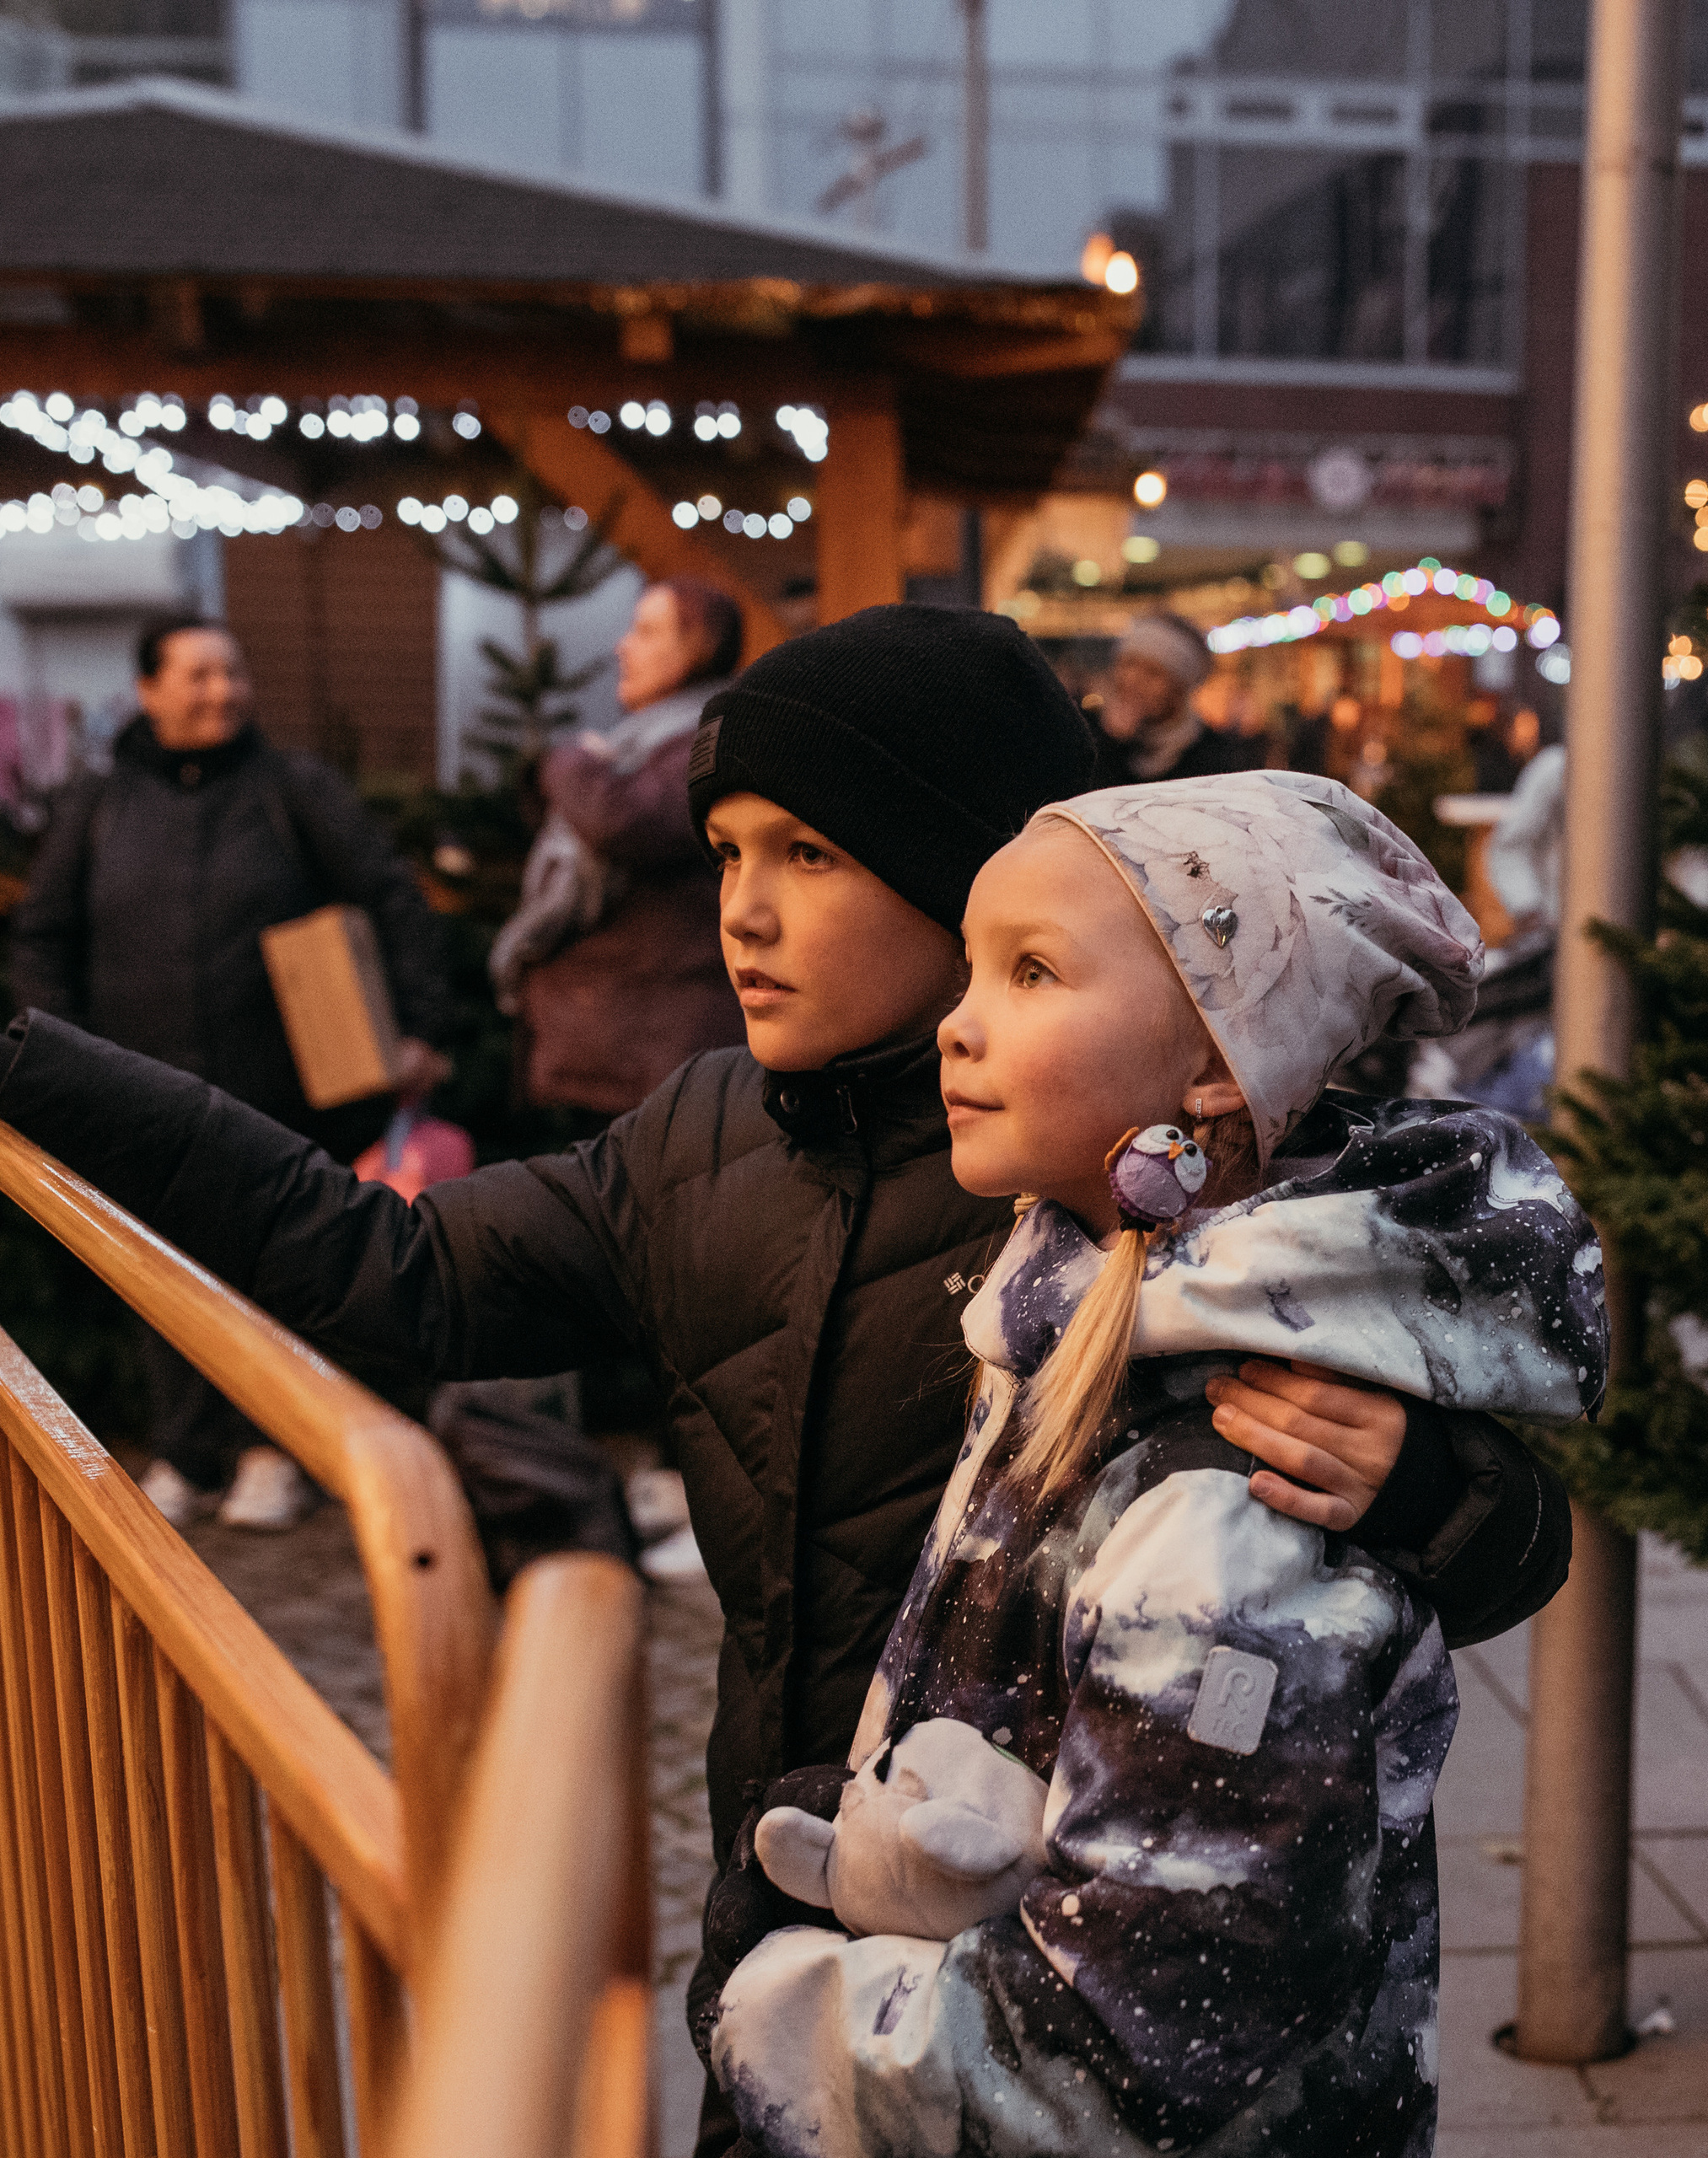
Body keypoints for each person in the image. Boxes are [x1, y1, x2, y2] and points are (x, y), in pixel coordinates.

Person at [0, 604, 1568, 2151]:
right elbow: (389, 1271)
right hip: (803, 1945)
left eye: (808, 855)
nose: (740, 909)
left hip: (1065, 2020)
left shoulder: (1114, 1178)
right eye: (728, 849)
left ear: (963, 872)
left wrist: (1432, 1487)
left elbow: (1459, 1561)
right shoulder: (702, 1141)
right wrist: (25, 1059)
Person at [700, 770, 1607, 2155]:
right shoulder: (1075, 1312)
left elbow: (1128, 2039)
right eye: (972, 971)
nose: (956, 1025)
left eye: (1034, 973)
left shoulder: (1228, 1486)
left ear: (1213, 1068)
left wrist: (785, 2008)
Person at [9, 613, 453, 1532]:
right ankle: (187, 1451)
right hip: (136, 1091)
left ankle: (274, 1450)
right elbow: (44, 937)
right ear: (149, 691)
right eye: (199, 675)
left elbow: (389, 896)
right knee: (155, 1269)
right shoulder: (97, 805)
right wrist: (64, 1059)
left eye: (232, 673)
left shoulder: (294, 789)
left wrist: (417, 1024)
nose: (222, 691)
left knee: (279, 1268)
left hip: (285, 1088)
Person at [491, 575, 748, 1116]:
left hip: (658, 1058)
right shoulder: (641, 745)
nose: (621, 646)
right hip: (621, 1052)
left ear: (695, 649)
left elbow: (623, 822)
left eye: (647, 631)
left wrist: (564, 760)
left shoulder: (713, 742)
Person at [1088, 614, 1260, 786]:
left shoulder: (1215, 759)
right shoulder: (1091, 738)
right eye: (1128, 664)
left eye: (1153, 673)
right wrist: (1111, 743)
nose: (1132, 680)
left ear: (1181, 687)